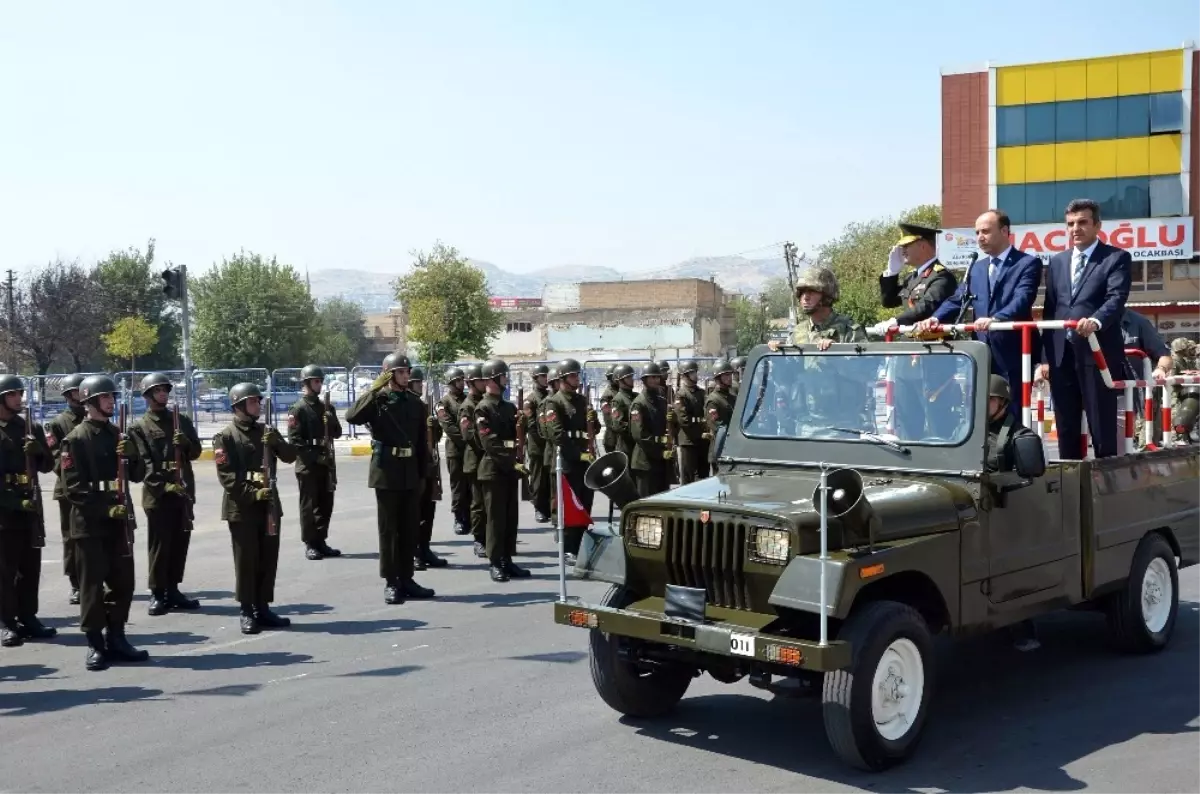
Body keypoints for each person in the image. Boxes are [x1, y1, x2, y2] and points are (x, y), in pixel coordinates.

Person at [60, 374, 149, 671]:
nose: (112, 401)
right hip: (90, 524)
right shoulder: (75, 439)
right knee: (92, 586)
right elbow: (74, 488)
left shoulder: (118, 435)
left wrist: (132, 455)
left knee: (124, 583)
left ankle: (118, 637)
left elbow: (137, 475)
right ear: (90, 402)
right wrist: (105, 511)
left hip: (120, 521)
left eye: (112, 397)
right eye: (107, 397)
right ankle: (95, 643)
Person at [917, 210, 1042, 419]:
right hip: (982, 352)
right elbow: (958, 298)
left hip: (1013, 352)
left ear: (1004, 231)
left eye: (985, 231)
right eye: (977, 232)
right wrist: (935, 318)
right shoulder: (976, 268)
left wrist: (997, 319)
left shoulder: (1027, 263)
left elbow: (1023, 298)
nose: (979, 237)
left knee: (1014, 411)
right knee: (984, 412)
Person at [1037, 199, 1132, 459]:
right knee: (1065, 422)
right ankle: (1069, 481)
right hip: (1061, 355)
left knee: (1101, 423)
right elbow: (1051, 309)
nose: (1075, 229)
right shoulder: (1057, 262)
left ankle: (1105, 482)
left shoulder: (1115, 258)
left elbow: (1116, 298)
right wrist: (1045, 358)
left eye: (1082, 222)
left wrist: (1096, 321)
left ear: (1097, 225)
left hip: (1097, 351)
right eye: (1070, 224)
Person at [345, 353, 435, 604]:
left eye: (408, 372)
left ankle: (407, 578)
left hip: (409, 471)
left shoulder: (415, 404)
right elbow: (352, 416)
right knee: (389, 530)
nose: (407, 376)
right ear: (389, 374)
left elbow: (419, 442)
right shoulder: (378, 401)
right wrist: (374, 390)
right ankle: (391, 581)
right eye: (401, 372)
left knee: (409, 528)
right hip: (386, 471)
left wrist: (423, 475)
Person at [213, 382, 298, 634]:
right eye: (253, 401)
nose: (258, 405)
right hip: (242, 507)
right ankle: (247, 610)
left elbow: (290, 456)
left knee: (267, 558)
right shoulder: (225, 437)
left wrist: (277, 442)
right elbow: (227, 476)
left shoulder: (266, 431)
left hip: (269, 504)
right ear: (238, 405)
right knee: (246, 561)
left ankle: (263, 607)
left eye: (259, 401)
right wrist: (253, 493)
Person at [128, 372, 202, 616]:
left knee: (180, 541)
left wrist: (186, 444)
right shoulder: (139, 427)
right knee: (160, 545)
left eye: (165, 390)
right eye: (158, 390)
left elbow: (195, 453)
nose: (163, 394)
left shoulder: (181, 420)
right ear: (148, 395)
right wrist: (164, 486)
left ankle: (173, 588)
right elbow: (144, 463)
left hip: (182, 490)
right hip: (158, 495)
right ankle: (158, 592)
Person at [982, 374, 1043, 651]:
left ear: (1003, 403)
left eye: (990, 400)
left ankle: (1023, 626)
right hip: (977, 510)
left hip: (1008, 509)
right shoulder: (967, 431)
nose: (983, 405)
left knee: (1012, 570)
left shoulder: (1017, 435)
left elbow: (1030, 467)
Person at [0, 375, 55, 648]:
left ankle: (28, 617)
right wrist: (13, 503)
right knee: (4, 570)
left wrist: (39, 452)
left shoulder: (28, 426)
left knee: (30, 567)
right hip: (4, 512)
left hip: (30, 506)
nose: (18, 398)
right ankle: (7, 623)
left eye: (19, 393)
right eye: (12, 394)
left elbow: (48, 466)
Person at [474, 359, 531, 582]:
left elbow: (515, 438)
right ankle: (495, 561)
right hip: (494, 469)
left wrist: (523, 424)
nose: (506, 378)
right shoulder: (483, 408)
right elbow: (490, 442)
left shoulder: (509, 408)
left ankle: (507, 559)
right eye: (503, 375)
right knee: (496, 519)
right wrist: (511, 463)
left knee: (510, 517)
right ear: (492, 379)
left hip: (508, 469)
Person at [287, 364, 342, 561]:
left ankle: (321, 540)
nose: (319, 385)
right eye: (316, 381)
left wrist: (331, 419)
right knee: (309, 506)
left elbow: (337, 433)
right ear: (307, 383)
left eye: (320, 381)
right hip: (308, 464)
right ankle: (310, 543)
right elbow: (295, 441)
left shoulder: (326, 407)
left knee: (326, 503)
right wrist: (315, 457)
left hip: (326, 460)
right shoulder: (298, 409)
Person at [543, 358, 597, 563]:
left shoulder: (582, 401)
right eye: (573, 375)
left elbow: (594, 429)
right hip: (567, 462)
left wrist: (593, 420)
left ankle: (582, 546)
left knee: (584, 504)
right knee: (569, 506)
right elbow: (557, 434)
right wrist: (577, 454)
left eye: (577, 375)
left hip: (584, 461)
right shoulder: (554, 402)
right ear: (563, 378)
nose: (577, 378)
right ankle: (568, 549)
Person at [45, 373, 86, 604]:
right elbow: (55, 459)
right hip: (69, 489)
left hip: (93, 488)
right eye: (78, 390)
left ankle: (94, 578)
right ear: (70, 394)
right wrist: (77, 474)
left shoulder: (96, 419)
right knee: (71, 537)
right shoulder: (58, 423)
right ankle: (76, 582)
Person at [874, 222, 958, 333]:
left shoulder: (942, 276)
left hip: (934, 343)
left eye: (906, 246)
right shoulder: (911, 277)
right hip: (912, 342)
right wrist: (892, 272)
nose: (902, 250)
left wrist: (896, 321)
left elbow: (926, 306)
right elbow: (888, 301)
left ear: (922, 246)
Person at [768, 266, 866, 351]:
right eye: (802, 292)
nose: (805, 297)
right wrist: (778, 350)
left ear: (826, 295)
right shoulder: (797, 333)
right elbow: (790, 370)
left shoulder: (849, 330)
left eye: (812, 291)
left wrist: (836, 351)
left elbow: (866, 367)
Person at [408, 367, 447, 570]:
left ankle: (425, 548)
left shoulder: (423, 407)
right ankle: (414, 552)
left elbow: (436, 436)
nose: (420, 386)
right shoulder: (407, 408)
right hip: (413, 466)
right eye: (417, 383)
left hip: (428, 465)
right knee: (414, 512)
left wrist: (434, 426)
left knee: (428, 510)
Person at [1119, 309, 1172, 448]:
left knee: (1127, 448)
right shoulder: (1085, 320)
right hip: (1095, 392)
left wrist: (1161, 369)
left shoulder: (1138, 322)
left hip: (1130, 398)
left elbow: (1164, 355)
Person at [458, 364, 488, 558]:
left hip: (488, 460)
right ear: (471, 382)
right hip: (476, 461)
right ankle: (479, 539)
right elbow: (468, 434)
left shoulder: (486, 403)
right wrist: (489, 447)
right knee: (478, 504)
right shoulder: (467, 406)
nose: (484, 383)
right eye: (481, 380)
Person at [629, 362, 672, 498]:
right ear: (644, 380)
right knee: (647, 503)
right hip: (645, 462)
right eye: (651, 377)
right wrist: (660, 452)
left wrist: (673, 420)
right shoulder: (639, 403)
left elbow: (666, 429)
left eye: (657, 377)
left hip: (661, 460)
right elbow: (639, 435)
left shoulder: (661, 400)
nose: (655, 380)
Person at [436, 367, 470, 535]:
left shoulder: (469, 399)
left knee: (471, 484)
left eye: (463, 380)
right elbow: (448, 426)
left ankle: (471, 517)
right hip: (456, 450)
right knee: (458, 486)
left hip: (471, 449)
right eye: (458, 380)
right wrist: (467, 440)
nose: (462, 383)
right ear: (451, 382)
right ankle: (458, 517)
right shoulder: (444, 403)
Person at [522, 364, 552, 523]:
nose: (546, 378)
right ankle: (539, 508)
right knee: (538, 479)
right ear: (535, 378)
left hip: (549, 445)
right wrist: (547, 437)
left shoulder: (550, 396)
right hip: (538, 446)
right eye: (543, 376)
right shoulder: (530, 400)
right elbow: (531, 425)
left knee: (550, 478)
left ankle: (549, 507)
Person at [673, 359, 709, 484]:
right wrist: (700, 434)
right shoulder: (681, 395)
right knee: (688, 475)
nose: (696, 375)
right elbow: (684, 420)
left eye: (695, 372)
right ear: (685, 376)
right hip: (689, 441)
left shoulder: (701, 393)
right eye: (692, 373)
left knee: (704, 475)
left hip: (703, 440)